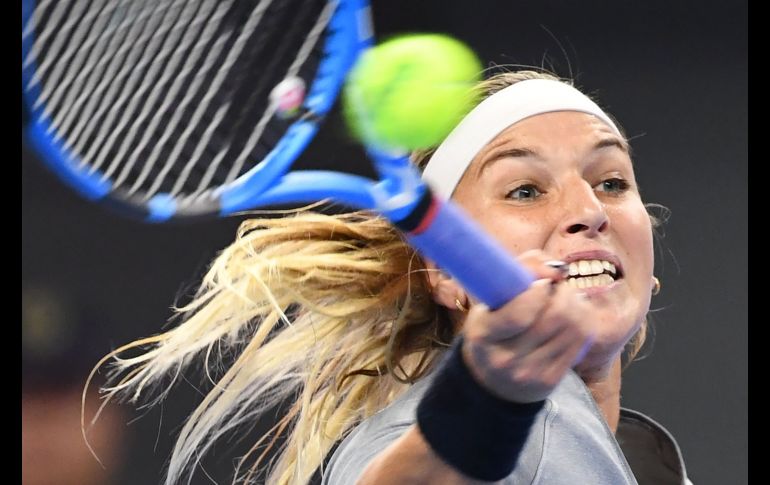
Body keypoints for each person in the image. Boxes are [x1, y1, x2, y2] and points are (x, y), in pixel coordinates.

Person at [98, 70, 690, 485]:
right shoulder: (425, 432)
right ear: (447, 274)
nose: (589, 209)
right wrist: (485, 400)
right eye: (525, 190)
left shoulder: (641, 460)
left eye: (612, 182)